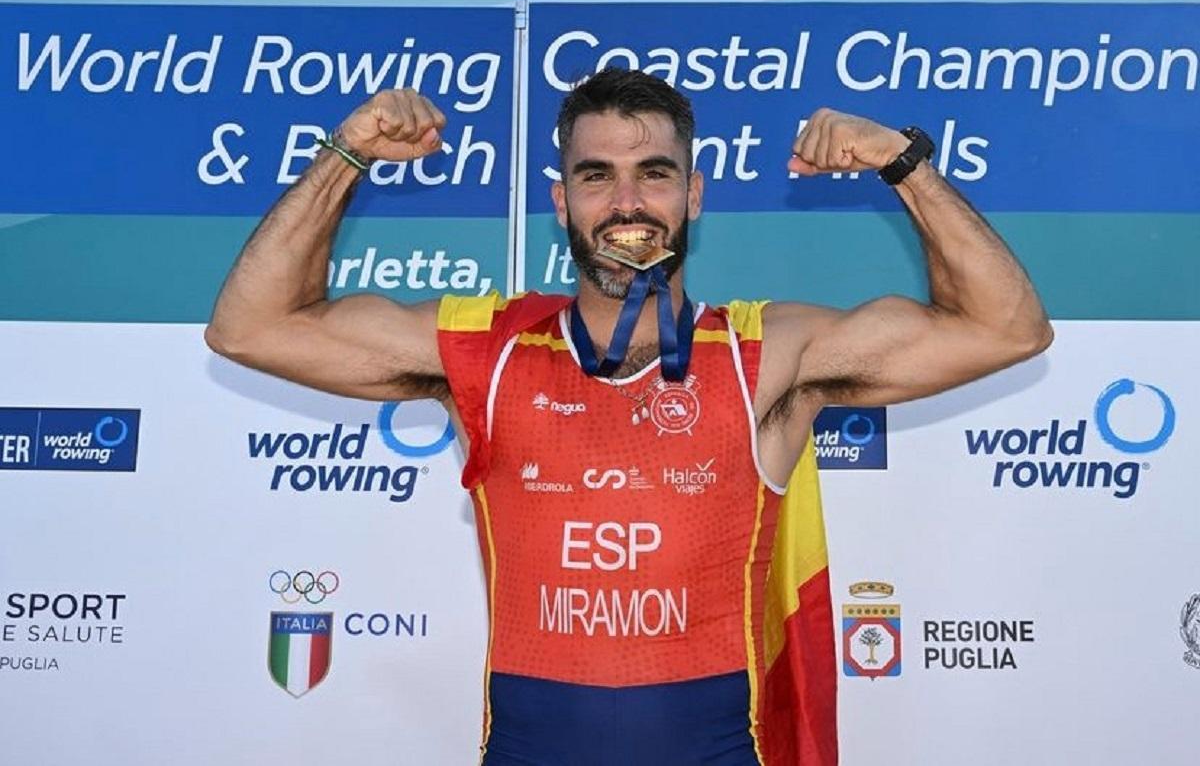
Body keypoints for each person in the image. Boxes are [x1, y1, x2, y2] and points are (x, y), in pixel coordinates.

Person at [206, 68, 1052, 765]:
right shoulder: (488, 348)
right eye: (596, 175)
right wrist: (346, 152)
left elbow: (1005, 329)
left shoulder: (770, 354)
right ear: (561, 199)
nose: (627, 202)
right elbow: (251, 328)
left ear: (693, 194)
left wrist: (904, 163)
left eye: (654, 173)